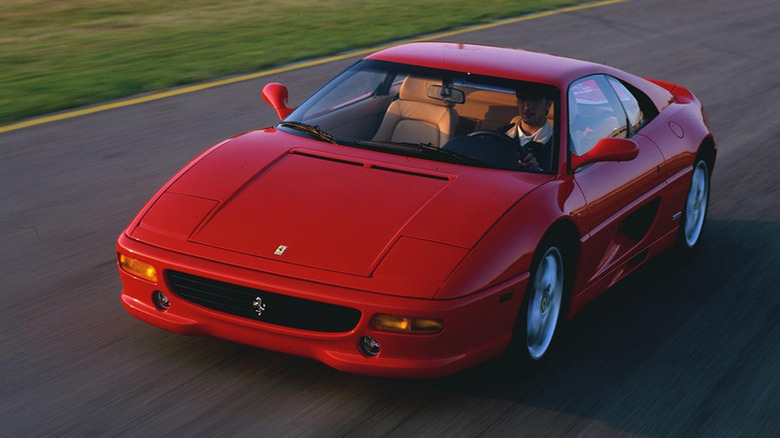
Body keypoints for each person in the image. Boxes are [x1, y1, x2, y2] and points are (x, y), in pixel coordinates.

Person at [505, 90, 554, 171]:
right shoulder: (500, 136)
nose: (527, 106)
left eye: (535, 99)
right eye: (523, 98)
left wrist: (537, 171)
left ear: (548, 105)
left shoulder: (560, 145)